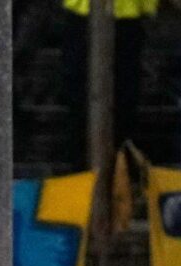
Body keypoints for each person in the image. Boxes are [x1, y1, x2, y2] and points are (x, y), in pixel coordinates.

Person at [59, 0, 158, 170]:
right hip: (116, 15)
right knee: (116, 96)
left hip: (107, 14)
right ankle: (102, 165)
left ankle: (91, 165)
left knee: (86, 94)